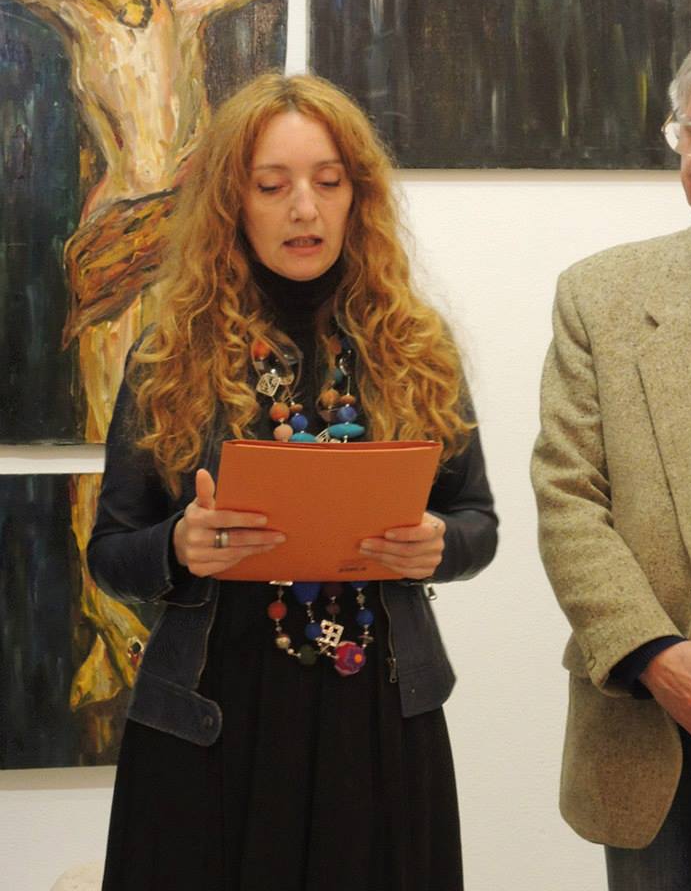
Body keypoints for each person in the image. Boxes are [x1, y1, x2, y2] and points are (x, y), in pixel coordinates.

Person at [88, 72, 498, 891]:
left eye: (328, 182)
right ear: (231, 204)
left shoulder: (416, 347)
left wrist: (438, 545)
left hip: (375, 719)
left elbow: (475, 520)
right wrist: (178, 547)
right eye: (272, 186)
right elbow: (110, 552)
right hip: (210, 722)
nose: (304, 209)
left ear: (358, 198)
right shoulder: (169, 354)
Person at [531, 28, 691, 889]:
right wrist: (655, 654)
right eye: (689, 133)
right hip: (641, 722)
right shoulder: (599, 295)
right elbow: (567, 495)